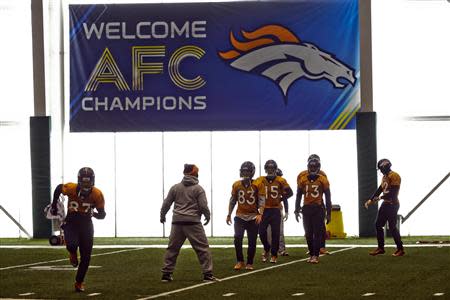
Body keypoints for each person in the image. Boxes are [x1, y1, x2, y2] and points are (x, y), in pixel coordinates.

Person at [50, 167, 106, 292]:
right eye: (84, 181)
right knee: (72, 245)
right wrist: (54, 203)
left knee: (86, 257)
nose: (86, 184)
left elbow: (102, 215)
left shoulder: (97, 194)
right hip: (72, 222)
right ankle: (73, 253)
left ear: (93, 181)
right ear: (79, 181)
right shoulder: (71, 188)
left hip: (86, 224)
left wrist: (94, 214)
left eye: (88, 181)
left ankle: (79, 282)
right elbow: (59, 188)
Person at [160, 164, 217, 282]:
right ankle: (207, 274)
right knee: (202, 248)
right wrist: (207, 215)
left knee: (172, 248)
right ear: (195, 174)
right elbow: (203, 206)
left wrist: (162, 215)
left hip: (177, 222)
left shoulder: (175, 187)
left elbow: (166, 203)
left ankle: (166, 274)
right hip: (193, 222)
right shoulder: (198, 188)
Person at [226, 161, 263, 271]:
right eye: (244, 171)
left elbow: (261, 200)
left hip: (253, 216)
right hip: (240, 216)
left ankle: (249, 263)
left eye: (247, 171)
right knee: (237, 237)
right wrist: (229, 214)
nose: (245, 173)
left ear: (252, 172)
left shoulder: (257, 184)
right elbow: (233, 200)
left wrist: (260, 214)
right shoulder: (236, 184)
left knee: (252, 240)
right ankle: (240, 261)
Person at [365, 159, 405, 257]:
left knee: (392, 227)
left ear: (384, 167)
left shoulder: (394, 176)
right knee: (378, 224)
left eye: (381, 168)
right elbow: (380, 189)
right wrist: (371, 199)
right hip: (386, 203)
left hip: (393, 203)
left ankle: (400, 249)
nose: (380, 171)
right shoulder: (385, 177)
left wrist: (380, 198)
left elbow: (393, 194)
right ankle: (381, 248)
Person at [256, 159, 293, 264]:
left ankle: (274, 255)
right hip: (265, 210)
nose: (270, 170)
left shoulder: (281, 180)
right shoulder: (260, 179)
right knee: (261, 231)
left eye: (272, 168)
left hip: (276, 209)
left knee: (276, 233)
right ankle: (267, 248)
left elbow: (290, 193)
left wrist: (280, 199)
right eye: (269, 168)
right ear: (265, 169)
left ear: (275, 169)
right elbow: (253, 189)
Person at [295, 158, 331, 264]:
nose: (313, 169)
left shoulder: (323, 179)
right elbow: (298, 195)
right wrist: (297, 210)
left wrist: (329, 213)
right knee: (308, 233)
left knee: (317, 232)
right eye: (311, 167)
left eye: (315, 167)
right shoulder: (303, 179)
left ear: (318, 168)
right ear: (308, 168)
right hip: (306, 208)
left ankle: (315, 255)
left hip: (318, 208)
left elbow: (328, 197)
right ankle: (311, 254)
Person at [266, 168, 289, 256]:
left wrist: (286, 211)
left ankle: (281, 249)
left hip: (277, 209)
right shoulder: (265, 184)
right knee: (268, 232)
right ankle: (269, 249)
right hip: (267, 209)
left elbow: (285, 197)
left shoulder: (280, 185)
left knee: (279, 231)